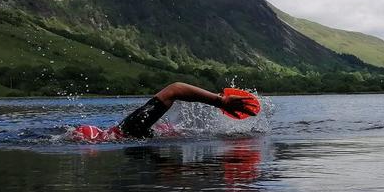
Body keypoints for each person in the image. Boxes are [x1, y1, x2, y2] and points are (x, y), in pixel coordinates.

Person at [72, 82, 259, 142]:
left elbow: (175, 89)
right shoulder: (130, 130)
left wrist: (221, 101)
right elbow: (175, 90)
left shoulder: (128, 129)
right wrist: (221, 101)